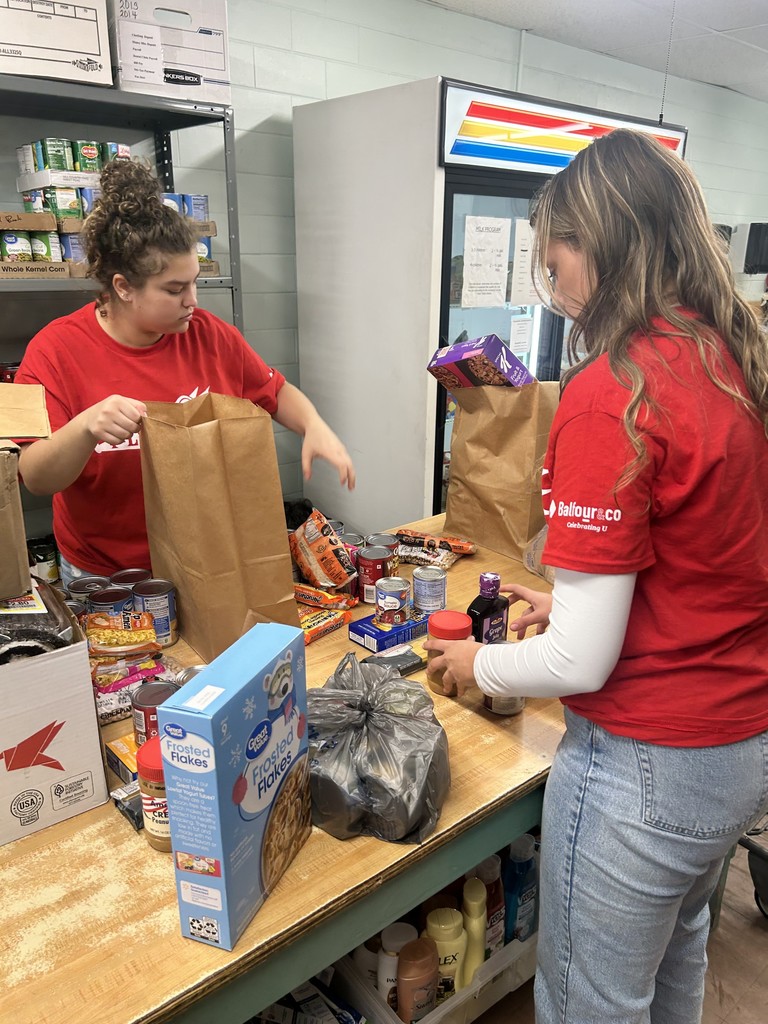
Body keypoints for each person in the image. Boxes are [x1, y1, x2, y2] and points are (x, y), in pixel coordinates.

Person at [425, 130, 768, 1024]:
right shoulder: (737, 359)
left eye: (555, 256)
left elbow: (577, 662)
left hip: (646, 768)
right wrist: (576, 599)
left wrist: (479, 668)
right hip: (741, 745)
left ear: (601, 245)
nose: (557, 283)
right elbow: (713, 559)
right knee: (677, 956)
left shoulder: (616, 389)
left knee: (592, 1005)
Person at [16, 159, 355, 589]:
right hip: (106, 577)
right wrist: (85, 428)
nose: (192, 301)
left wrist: (314, 427)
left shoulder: (208, 335)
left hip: (205, 560)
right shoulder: (55, 351)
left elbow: (275, 391)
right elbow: (36, 476)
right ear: (123, 287)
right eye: (175, 290)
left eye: (195, 283)